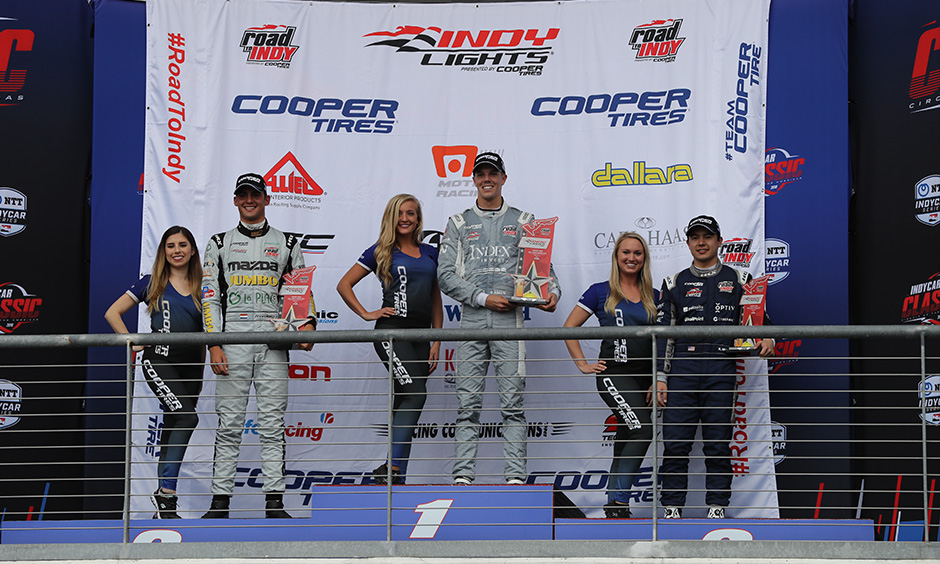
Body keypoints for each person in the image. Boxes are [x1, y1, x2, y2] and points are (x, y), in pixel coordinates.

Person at [437, 151, 561, 485]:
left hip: (511, 323)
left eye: (493, 173)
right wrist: (482, 298)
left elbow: (543, 269)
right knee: (467, 405)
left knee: (513, 405)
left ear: (504, 178)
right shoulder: (459, 223)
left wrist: (552, 294)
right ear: (474, 179)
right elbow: (445, 275)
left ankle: (516, 480)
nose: (487, 179)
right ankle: (462, 479)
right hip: (472, 322)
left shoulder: (524, 221)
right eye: (481, 174)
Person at [201, 172, 316, 519]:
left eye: (255, 194)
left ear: (267, 199)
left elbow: (299, 293)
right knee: (230, 423)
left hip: (272, 338)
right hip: (232, 336)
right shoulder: (218, 243)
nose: (249, 200)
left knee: (271, 423)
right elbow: (209, 298)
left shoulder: (288, 242)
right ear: (235, 201)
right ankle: (220, 504)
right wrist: (214, 345)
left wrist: (307, 324)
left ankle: (275, 503)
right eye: (243, 195)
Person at [657, 215, 774, 519]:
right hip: (682, 371)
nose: (701, 242)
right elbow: (662, 336)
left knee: (718, 444)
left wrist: (768, 337)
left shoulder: (740, 279)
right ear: (688, 243)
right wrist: (660, 377)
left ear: (719, 241)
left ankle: (717, 507)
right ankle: (671, 508)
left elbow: (759, 320)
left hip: (721, 371)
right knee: (675, 444)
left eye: (707, 236)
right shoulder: (673, 283)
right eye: (695, 237)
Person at [336, 194, 443, 485]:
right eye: (399, 214)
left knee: (404, 401)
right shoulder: (381, 250)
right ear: (391, 218)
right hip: (391, 333)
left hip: (422, 336)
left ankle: (396, 478)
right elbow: (344, 284)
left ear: (419, 219)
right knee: (416, 394)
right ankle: (392, 468)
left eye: (411, 213)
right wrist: (367, 314)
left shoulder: (431, 252)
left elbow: (436, 297)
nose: (405, 218)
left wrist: (436, 340)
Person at [563, 232, 667, 518]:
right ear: (616, 257)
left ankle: (614, 504)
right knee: (642, 429)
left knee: (626, 437)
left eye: (637, 253)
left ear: (644, 258)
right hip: (614, 375)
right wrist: (583, 364)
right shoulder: (599, 291)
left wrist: (659, 378)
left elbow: (667, 340)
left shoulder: (656, 296)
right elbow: (568, 328)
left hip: (645, 379)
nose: (631, 258)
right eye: (626, 253)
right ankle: (620, 501)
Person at [105, 225, 204, 519]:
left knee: (175, 425)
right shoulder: (152, 282)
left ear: (193, 250)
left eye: (183, 245)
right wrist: (130, 341)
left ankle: (164, 506)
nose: (177, 250)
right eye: (170, 245)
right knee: (188, 417)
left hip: (192, 368)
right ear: (163, 251)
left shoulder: (204, 285)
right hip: (159, 361)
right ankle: (167, 494)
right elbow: (112, 312)